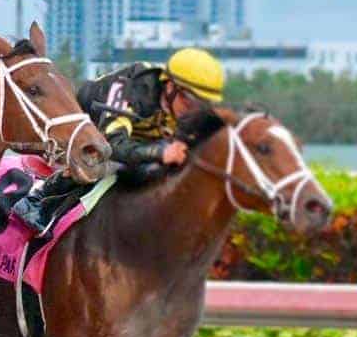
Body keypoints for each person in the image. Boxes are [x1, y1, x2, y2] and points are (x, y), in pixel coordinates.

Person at [12, 47, 226, 232]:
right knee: (100, 159)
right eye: (189, 102)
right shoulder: (132, 89)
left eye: (201, 106)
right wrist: (160, 153)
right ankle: (39, 200)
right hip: (82, 133)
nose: (193, 111)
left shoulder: (180, 106)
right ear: (170, 86)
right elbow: (113, 145)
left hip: (131, 138)